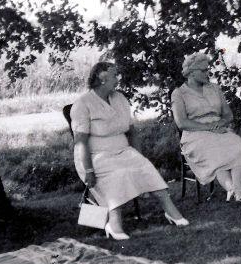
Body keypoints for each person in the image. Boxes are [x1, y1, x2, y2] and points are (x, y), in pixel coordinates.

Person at [71, 61, 188, 240]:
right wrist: (88, 169)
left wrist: (139, 157)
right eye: (114, 76)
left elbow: (132, 132)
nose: (118, 80)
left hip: (123, 151)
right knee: (118, 174)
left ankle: (171, 212)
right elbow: (80, 142)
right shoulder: (83, 104)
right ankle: (113, 223)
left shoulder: (120, 99)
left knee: (146, 168)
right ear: (102, 79)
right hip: (95, 156)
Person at [171, 52, 241, 207]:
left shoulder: (215, 89)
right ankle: (237, 192)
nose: (208, 73)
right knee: (214, 152)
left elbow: (228, 115)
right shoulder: (179, 93)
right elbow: (182, 123)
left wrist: (220, 124)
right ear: (191, 73)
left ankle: (236, 192)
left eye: (208, 70)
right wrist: (209, 128)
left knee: (239, 148)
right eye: (204, 70)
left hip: (219, 129)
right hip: (195, 134)